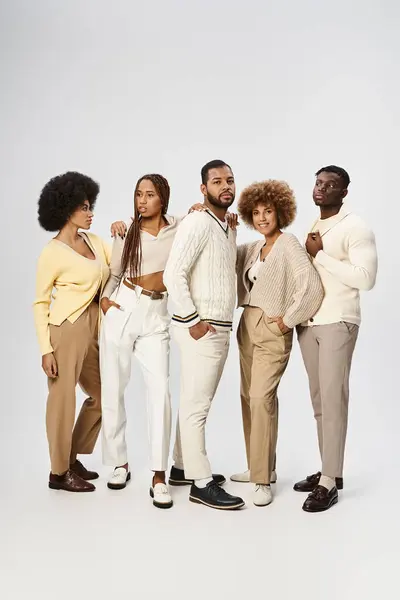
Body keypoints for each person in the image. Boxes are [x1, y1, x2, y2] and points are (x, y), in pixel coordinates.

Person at [229, 180, 324, 506]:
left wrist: (288, 318)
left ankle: (261, 481)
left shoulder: (288, 244)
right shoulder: (254, 249)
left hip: (272, 328)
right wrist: (226, 227)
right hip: (246, 325)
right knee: (246, 396)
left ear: (280, 212)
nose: (262, 217)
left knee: (261, 397)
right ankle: (260, 468)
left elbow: (311, 285)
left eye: (267, 211)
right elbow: (226, 257)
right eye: (255, 213)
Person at [294, 165, 378, 512]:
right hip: (310, 323)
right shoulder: (315, 225)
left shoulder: (355, 226)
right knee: (319, 402)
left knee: (333, 400)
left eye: (331, 185)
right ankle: (332, 471)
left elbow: (366, 278)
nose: (322, 189)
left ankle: (329, 484)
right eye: (318, 183)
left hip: (338, 321)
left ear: (344, 192)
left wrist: (321, 255)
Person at [164, 159, 245, 510]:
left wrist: (234, 231)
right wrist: (193, 319)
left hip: (217, 326)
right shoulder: (198, 221)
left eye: (230, 180)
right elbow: (173, 274)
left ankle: (182, 468)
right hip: (202, 328)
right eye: (217, 181)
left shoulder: (226, 225)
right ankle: (201, 482)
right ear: (203, 189)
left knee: (192, 401)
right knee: (198, 407)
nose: (225, 186)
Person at [100, 174, 179, 508]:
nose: (142, 200)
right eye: (138, 194)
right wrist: (105, 300)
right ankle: (120, 463)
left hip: (157, 315)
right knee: (113, 387)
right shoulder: (126, 231)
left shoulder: (179, 227)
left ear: (163, 198)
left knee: (159, 390)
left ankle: (159, 474)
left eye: (149, 194)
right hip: (124, 306)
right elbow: (116, 274)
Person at [33, 171, 111, 492]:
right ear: (66, 209)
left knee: (104, 394)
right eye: (84, 207)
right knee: (62, 400)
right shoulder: (52, 252)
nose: (91, 212)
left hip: (94, 326)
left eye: (91, 205)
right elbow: (39, 302)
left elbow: (119, 260)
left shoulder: (93, 240)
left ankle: (71, 455)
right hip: (65, 328)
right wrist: (45, 349)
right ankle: (58, 473)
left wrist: (127, 230)